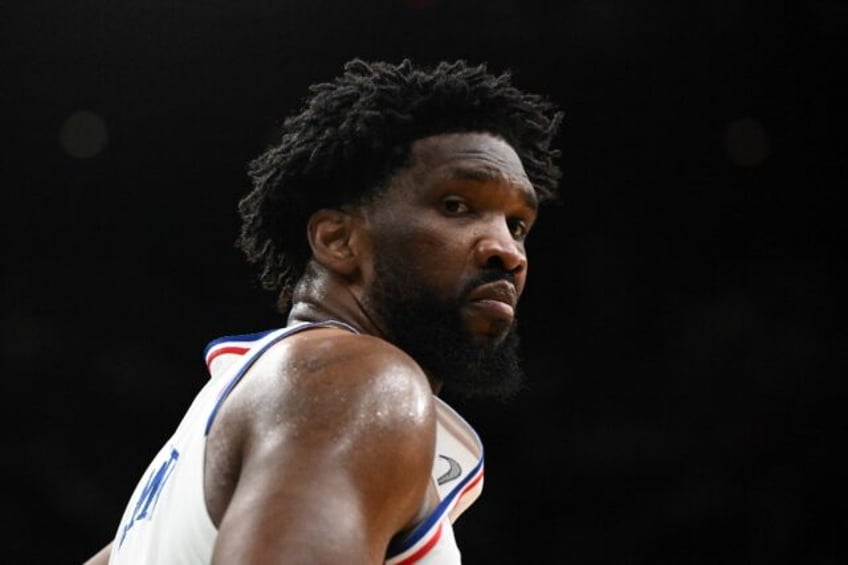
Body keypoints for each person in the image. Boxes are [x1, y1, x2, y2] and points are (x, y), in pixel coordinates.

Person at [85, 58, 562, 564]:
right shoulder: (359, 381)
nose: (507, 252)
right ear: (337, 240)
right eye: (455, 205)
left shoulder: (155, 502)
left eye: (518, 225)